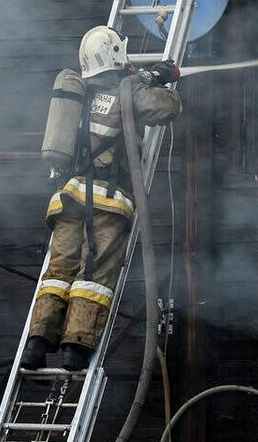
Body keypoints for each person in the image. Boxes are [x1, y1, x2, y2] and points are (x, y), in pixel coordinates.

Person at [20, 26, 181, 371]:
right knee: (94, 273)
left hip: (69, 197)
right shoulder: (127, 91)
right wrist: (157, 78)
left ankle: (37, 343)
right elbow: (166, 108)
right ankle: (76, 347)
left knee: (59, 270)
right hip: (108, 201)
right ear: (116, 55)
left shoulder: (76, 93)